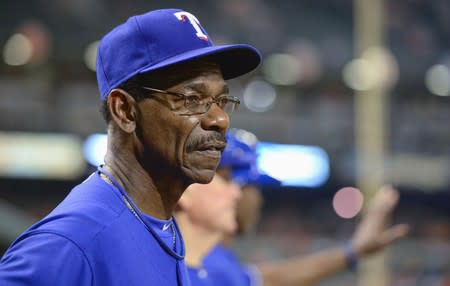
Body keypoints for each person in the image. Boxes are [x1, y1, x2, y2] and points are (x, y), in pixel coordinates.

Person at [0, 9, 261, 285]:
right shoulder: (74, 241)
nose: (220, 119)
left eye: (221, 100)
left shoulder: (159, 225)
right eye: (192, 99)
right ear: (124, 110)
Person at [202, 131, 410, 286]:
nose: (258, 200)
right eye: (252, 186)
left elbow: (271, 279)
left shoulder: (216, 260)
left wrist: (353, 251)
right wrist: (352, 251)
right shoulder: (202, 261)